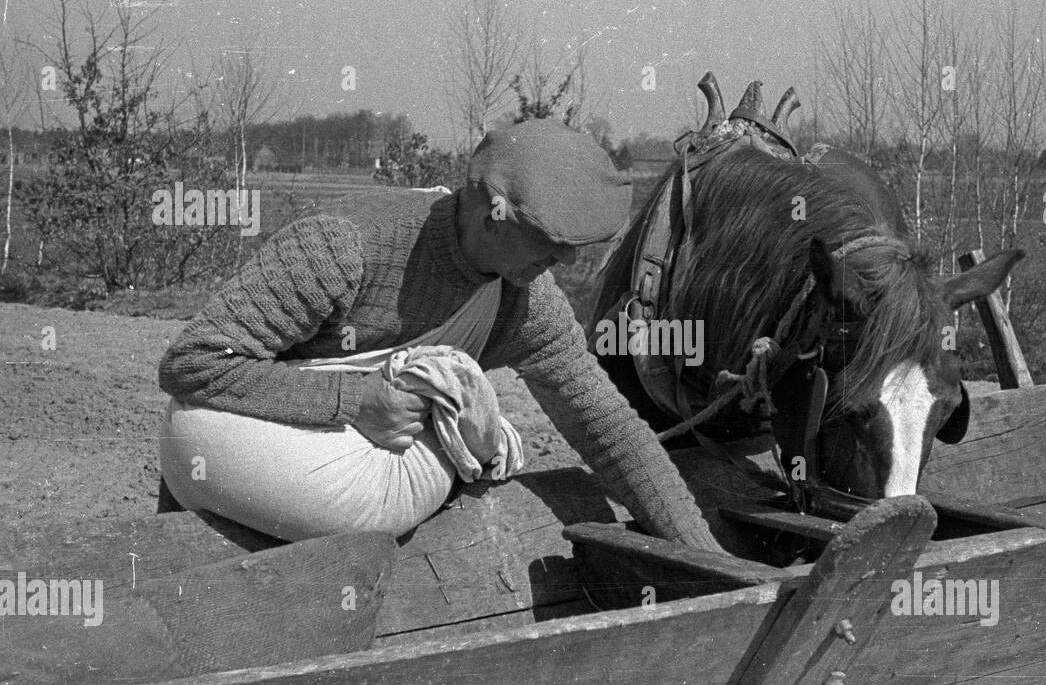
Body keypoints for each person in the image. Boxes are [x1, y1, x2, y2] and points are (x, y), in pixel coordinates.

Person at [157, 119, 720, 551]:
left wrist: (705, 551)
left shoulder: (525, 301)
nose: (567, 259)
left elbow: (608, 430)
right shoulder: (339, 248)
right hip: (252, 473)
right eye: (550, 240)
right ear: (492, 212)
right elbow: (194, 363)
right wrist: (357, 400)